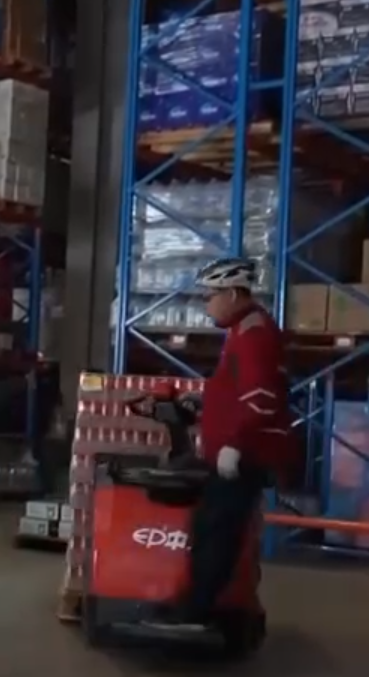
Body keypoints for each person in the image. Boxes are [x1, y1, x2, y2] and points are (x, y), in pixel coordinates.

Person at [146, 256, 296, 631]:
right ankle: (195, 605)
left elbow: (261, 397)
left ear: (231, 294)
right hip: (234, 449)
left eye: (210, 296)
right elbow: (238, 389)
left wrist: (235, 444)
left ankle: (196, 614)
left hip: (244, 454)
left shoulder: (254, 334)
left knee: (217, 532)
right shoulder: (242, 330)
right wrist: (205, 403)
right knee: (208, 527)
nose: (206, 304)